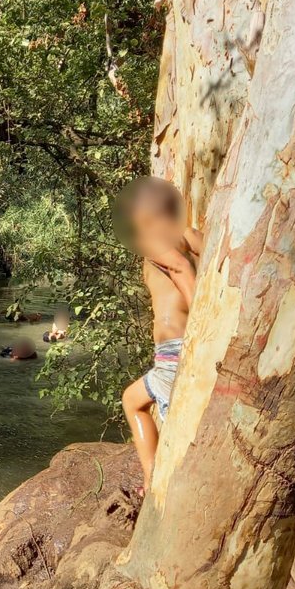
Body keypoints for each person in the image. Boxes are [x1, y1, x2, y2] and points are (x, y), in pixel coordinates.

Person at [118, 177, 203, 492]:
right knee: (132, 398)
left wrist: (201, 322)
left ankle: (152, 477)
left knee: (140, 406)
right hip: (178, 349)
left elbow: (181, 269)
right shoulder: (191, 235)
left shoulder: (153, 240)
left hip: (174, 350)